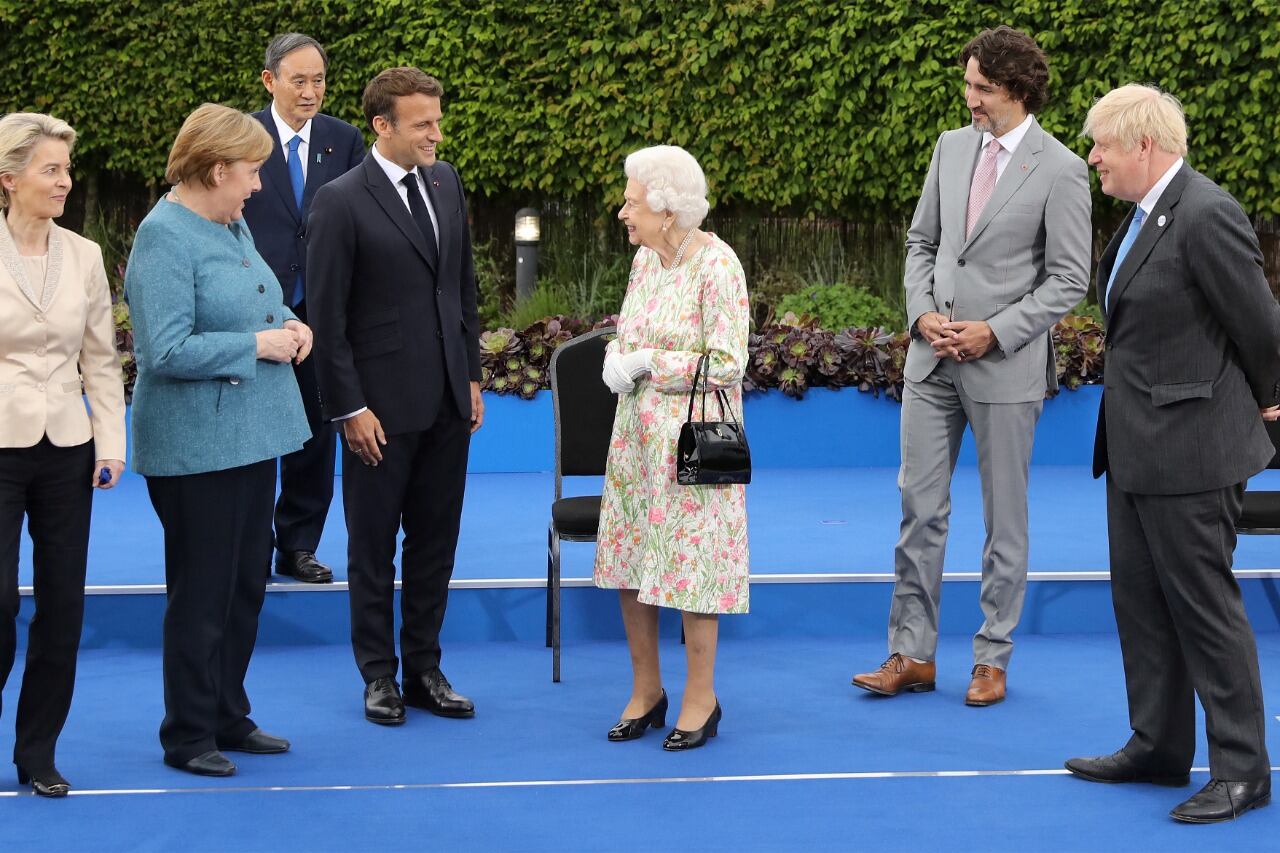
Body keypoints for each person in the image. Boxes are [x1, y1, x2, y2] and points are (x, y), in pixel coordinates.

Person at [851, 26, 1091, 706]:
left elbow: (1069, 279)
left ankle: (992, 658)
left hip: (1006, 368)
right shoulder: (951, 148)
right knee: (918, 509)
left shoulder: (1062, 168)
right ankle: (911, 652)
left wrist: (996, 331)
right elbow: (920, 242)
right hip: (931, 364)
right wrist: (921, 312)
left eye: (981, 88)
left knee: (1003, 522)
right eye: (968, 84)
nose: (970, 99)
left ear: (1017, 89)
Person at [1065, 84, 1279, 824]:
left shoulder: (1207, 212)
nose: (1091, 156)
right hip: (1132, 448)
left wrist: (1270, 402)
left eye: (1100, 144)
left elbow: (1261, 326)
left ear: (1143, 146)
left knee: (1205, 610)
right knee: (1143, 605)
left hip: (1192, 452)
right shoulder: (1139, 217)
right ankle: (1158, 744)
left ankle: (1244, 771)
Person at [126, 103, 312, 776]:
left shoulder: (227, 221)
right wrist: (257, 344)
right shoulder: (164, 237)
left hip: (250, 435)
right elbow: (164, 348)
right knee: (202, 592)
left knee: (243, 587)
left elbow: (257, 298)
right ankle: (188, 732)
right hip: (195, 445)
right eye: (251, 172)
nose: (258, 185)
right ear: (213, 169)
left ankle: (229, 713)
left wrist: (291, 324)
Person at [307, 67, 483, 726]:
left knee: (436, 542)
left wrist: (469, 376)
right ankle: (377, 674)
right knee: (373, 546)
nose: (436, 134)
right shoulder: (339, 200)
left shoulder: (447, 181)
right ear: (382, 126)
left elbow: (460, 288)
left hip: (445, 402)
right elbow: (327, 318)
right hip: (376, 411)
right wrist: (349, 406)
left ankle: (425, 668)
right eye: (423, 124)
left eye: (438, 120)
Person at [594, 145, 750, 751]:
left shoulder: (718, 264)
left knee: (692, 567)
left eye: (631, 201)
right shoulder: (643, 262)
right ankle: (646, 691)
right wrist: (616, 357)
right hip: (635, 439)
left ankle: (700, 698)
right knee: (633, 563)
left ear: (665, 208)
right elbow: (631, 331)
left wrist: (648, 362)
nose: (622, 212)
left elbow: (728, 362)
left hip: (692, 445)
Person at [0, 112, 125, 797]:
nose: (65, 182)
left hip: (66, 448)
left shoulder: (82, 254)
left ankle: (37, 751)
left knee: (62, 605)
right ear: (9, 179)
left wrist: (110, 441)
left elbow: (101, 359)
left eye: (67, 170)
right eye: (51, 170)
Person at [241, 32, 365, 584]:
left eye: (319, 80)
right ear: (270, 81)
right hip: (250, 310)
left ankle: (297, 545)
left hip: (320, 312)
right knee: (250, 435)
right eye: (299, 80)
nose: (311, 91)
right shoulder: (241, 137)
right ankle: (246, 544)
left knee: (314, 436)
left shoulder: (344, 139)